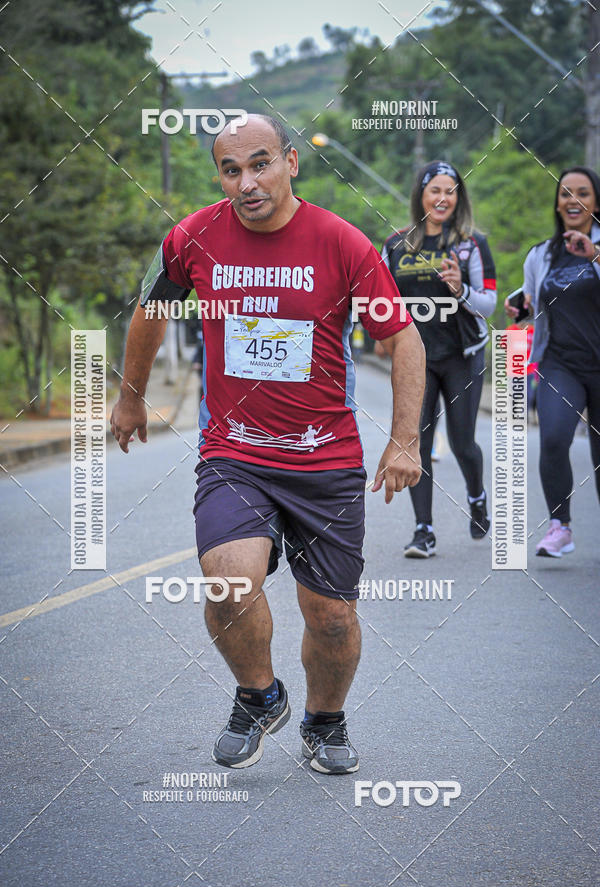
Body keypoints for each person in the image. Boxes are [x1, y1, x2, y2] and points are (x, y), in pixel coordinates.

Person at [110, 114, 425, 774]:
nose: (247, 182)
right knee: (228, 584)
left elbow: (403, 340)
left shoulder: (342, 243)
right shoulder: (192, 238)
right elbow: (151, 308)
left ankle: (325, 721)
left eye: (260, 164)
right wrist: (132, 395)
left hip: (325, 460)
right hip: (236, 454)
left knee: (331, 615)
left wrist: (404, 441)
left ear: (290, 162)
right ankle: (258, 696)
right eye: (231, 170)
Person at [382, 161, 497, 558]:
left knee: (463, 443)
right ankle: (423, 531)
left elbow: (488, 304)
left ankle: (477, 496)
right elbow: (383, 300)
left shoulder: (471, 243)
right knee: (418, 441)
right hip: (416, 360)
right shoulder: (396, 244)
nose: (443, 198)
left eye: (451, 191)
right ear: (422, 195)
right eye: (436, 190)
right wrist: (383, 336)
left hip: (462, 355)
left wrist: (461, 289)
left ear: (458, 198)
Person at [505, 166, 600, 558]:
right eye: (565, 193)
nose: (572, 200)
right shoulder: (541, 254)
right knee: (554, 438)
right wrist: (520, 306)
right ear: (557, 203)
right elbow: (531, 298)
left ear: (596, 203)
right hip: (561, 362)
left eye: (583, 193)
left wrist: (595, 254)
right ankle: (560, 526)